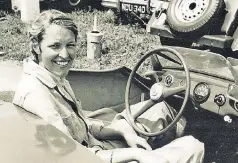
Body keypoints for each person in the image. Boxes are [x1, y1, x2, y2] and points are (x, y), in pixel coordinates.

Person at [13, 10, 204, 163]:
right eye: (55, 46)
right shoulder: (36, 94)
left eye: (70, 45)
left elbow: (81, 126)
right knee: (192, 146)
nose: (65, 54)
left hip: (95, 146)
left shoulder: (51, 77)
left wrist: (121, 131)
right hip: (89, 156)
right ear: (36, 47)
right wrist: (136, 155)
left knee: (158, 108)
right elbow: (76, 156)